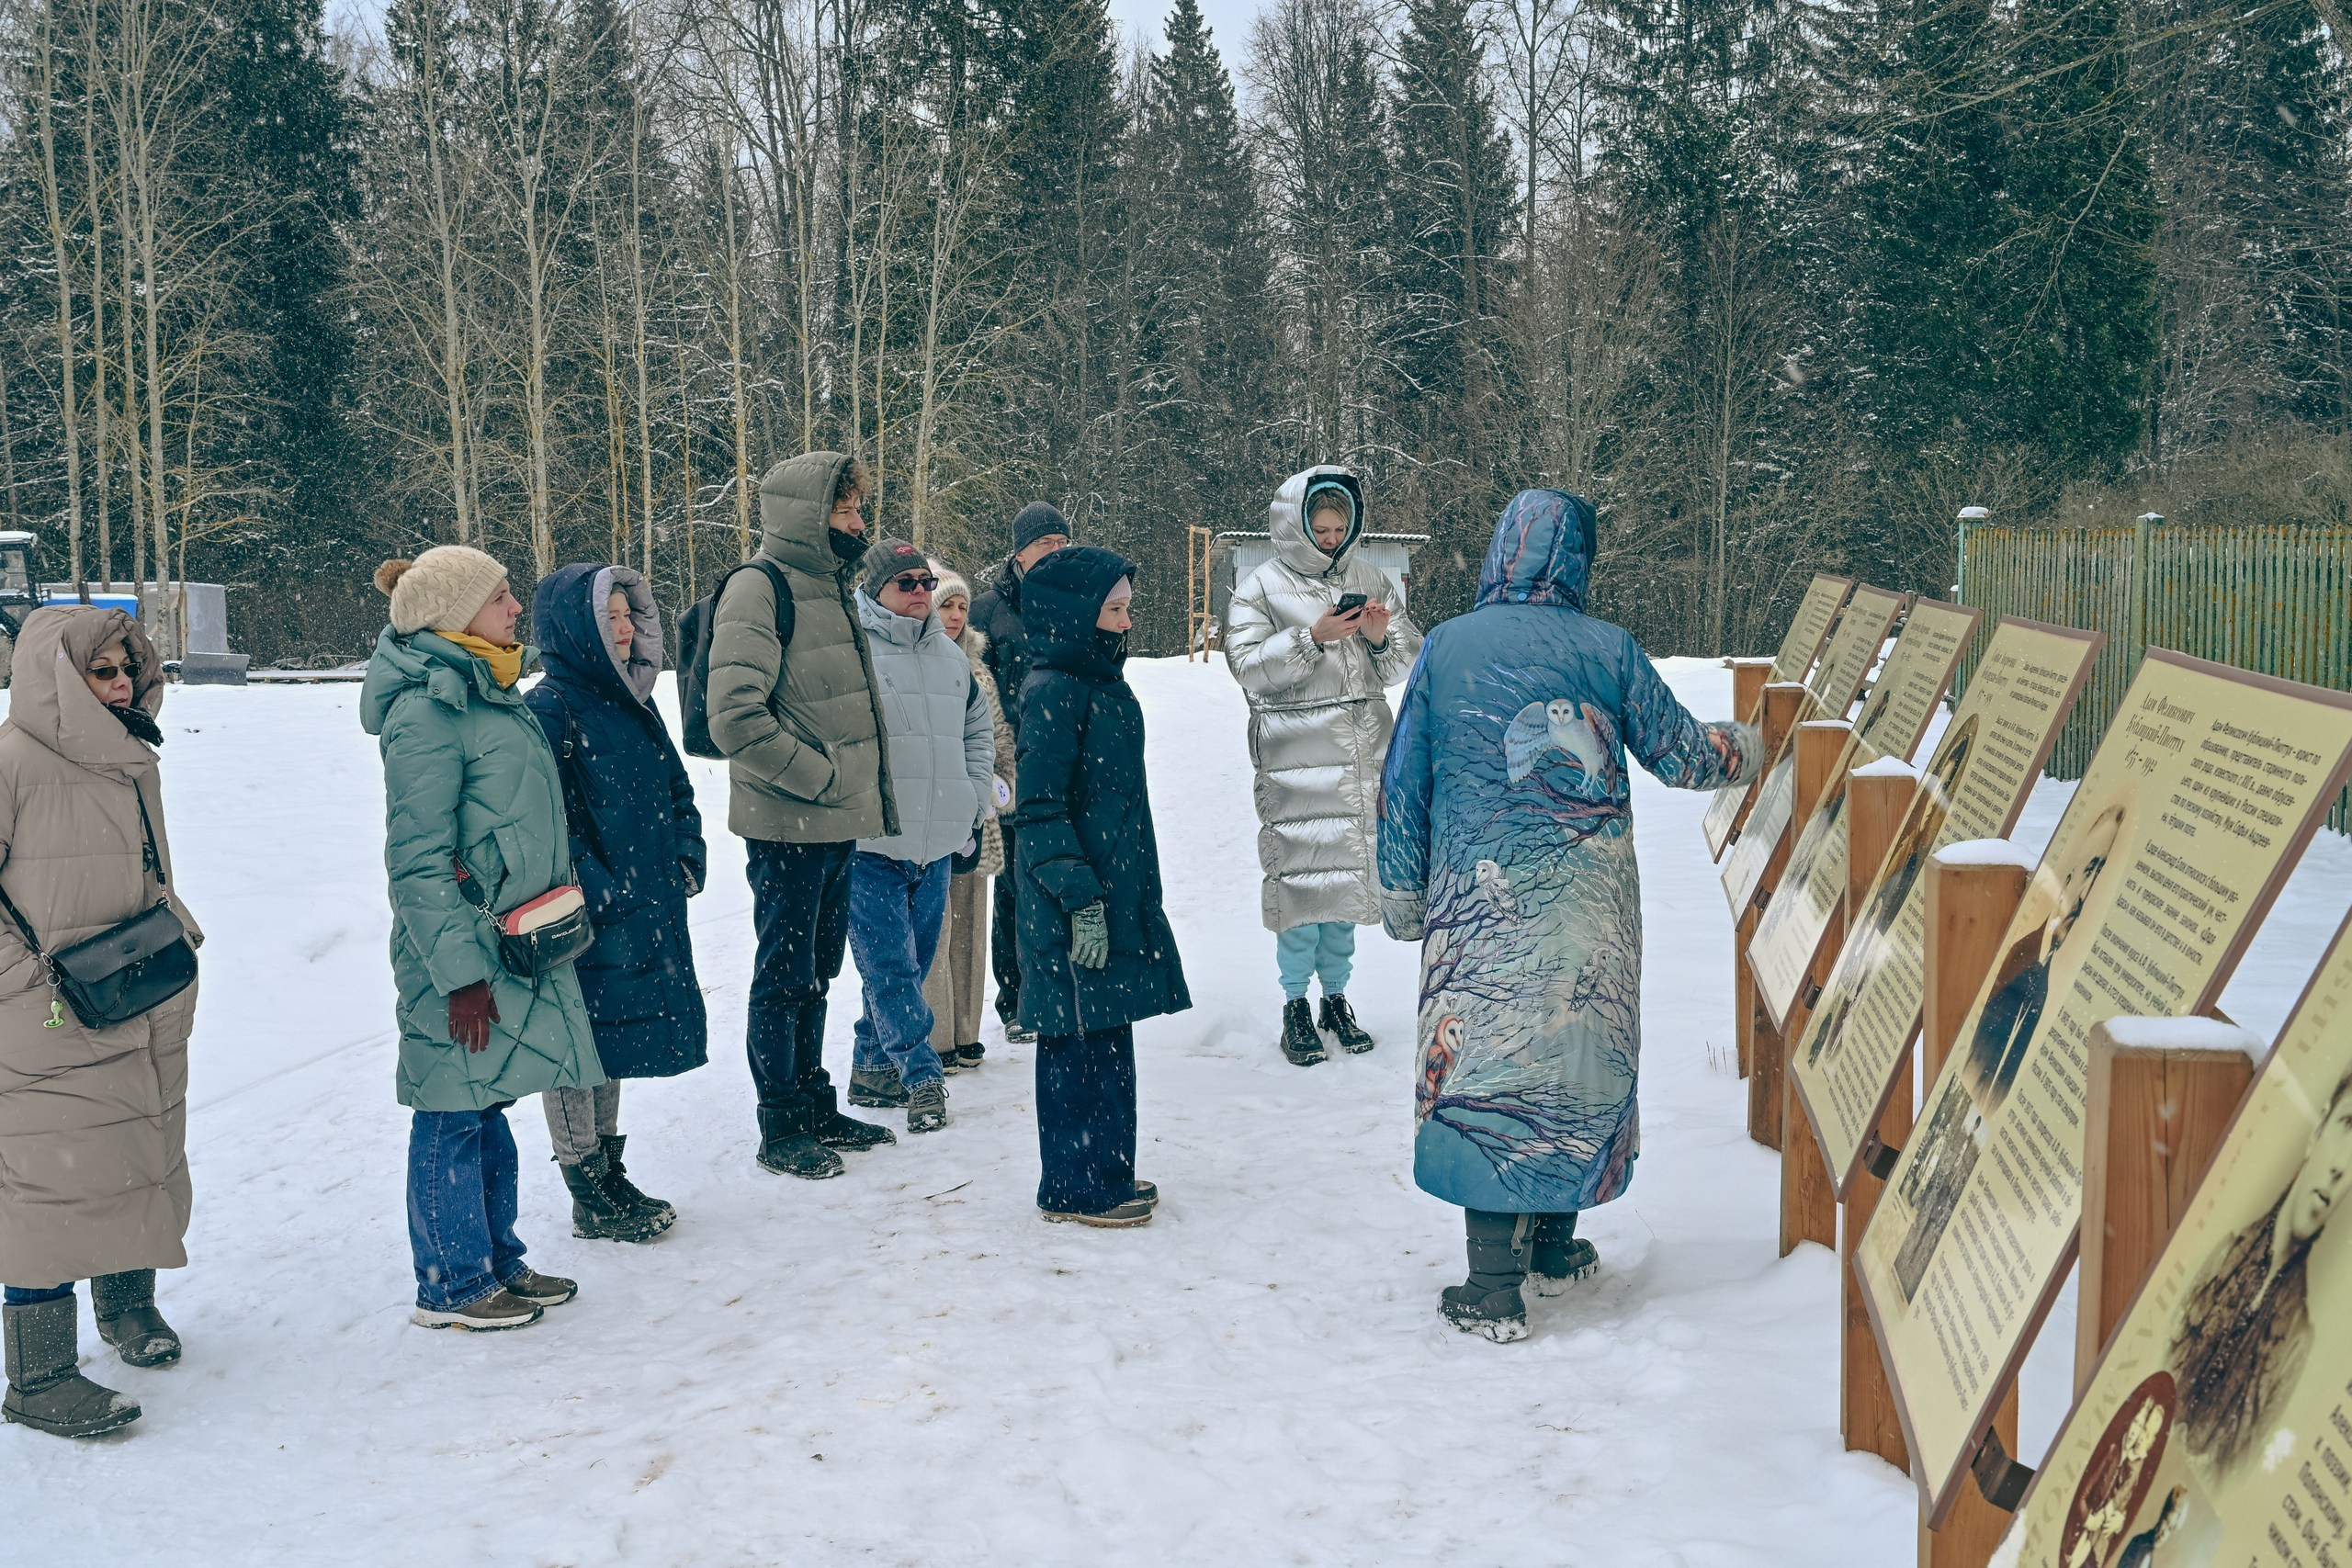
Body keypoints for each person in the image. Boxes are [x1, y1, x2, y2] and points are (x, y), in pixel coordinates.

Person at [1378, 490, 1761, 1340]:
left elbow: (1403, 778)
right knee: (1576, 1047)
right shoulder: (1608, 649)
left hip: (1479, 906)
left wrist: (1401, 887)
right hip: (1589, 900)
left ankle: (1491, 1285)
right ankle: (1554, 1243)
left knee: (1486, 1065)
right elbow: (1685, 755)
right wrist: (1759, 745)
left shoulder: (1447, 648)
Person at [362, 547, 603, 1331]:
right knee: (450, 1111)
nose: (513, 607)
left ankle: (496, 1256)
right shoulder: (427, 712)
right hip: (459, 950)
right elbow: (416, 859)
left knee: (488, 1100)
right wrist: (459, 973)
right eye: (499, 595)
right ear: (454, 615)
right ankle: (450, 1283)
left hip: (510, 939)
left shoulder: (488, 691)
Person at [0, 607, 199, 1437]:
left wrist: (177, 931)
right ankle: (37, 1373)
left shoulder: (131, 756)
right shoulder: (11, 759)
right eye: (102, 672)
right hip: (43, 1011)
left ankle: (126, 1307)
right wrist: (20, 982)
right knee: (49, 1183)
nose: (121, 683)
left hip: (137, 990)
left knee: (138, 1148)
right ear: (57, 675)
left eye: (127, 668)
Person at [707, 452, 899, 1179]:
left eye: (857, 509)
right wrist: (819, 779)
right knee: (784, 971)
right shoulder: (760, 588)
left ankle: (815, 1101)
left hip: (833, 819)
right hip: (788, 823)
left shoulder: (829, 587)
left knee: (819, 968)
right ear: (806, 514)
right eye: (845, 511)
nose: (858, 524)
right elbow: (735, 716)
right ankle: (779, 1120)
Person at [523, 564, 708, 1243]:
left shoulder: (636, 699)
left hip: (644, 900)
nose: (626, 628)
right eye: (612, 617)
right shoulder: (551, 708)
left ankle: (608, 1167)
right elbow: (547, 821)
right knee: (577, 1045)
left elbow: (674, 785)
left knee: (614, 1036)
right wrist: (602, 889)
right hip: (588, 910)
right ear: (578, 629)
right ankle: (585, 1184)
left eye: (632, 614)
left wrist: (686, 849)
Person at [1013, 547, 1190, 1226]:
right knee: (1075, 1044)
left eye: (1125, 607)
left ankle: (1108, 1168)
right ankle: (1071, 1184)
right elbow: (1038, 809)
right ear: (1076, 618)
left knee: (1108, 1040)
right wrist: (1079, 895)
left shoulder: (1100, 683)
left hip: (1110, 891)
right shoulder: (1054, 689)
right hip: (1072, 904)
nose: (1126, 620)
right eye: (1113, 609)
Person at [1225, 467, 1420, 1066]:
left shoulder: (1368, 577)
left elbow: (1402, 663)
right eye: (1321, 528)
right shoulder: (1261, 586)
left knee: (1346, 888)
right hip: (1298, 758)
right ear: (1296, 526)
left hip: (1362, 755)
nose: (1332, 538)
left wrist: (1384, 638)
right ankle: (1294, 1006)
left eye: (1340, 527)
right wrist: (1312, 637)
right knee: (1303, 888)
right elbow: (1249, 666)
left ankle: (1336, 998)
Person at [840, 539, 994, 1134]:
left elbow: (977, 729)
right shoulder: (853, 650)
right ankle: (921, 1075)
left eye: (927, 583)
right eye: (906, 583)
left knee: (914, 959)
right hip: (871, 844)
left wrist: (972, 799)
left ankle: (872, 1064)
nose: (921, 594)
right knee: (890, 969)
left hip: (936, 844)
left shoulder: (949, 656)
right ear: (876, 589)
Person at [2170, 1065, 2352, 1479]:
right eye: (2347, 1125)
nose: (2343, 1167)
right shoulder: (2221, 1252)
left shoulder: (2297, 1345)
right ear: (2318, 1128)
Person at [972, 502, 1070, 1042]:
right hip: (1011, 764)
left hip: (1062, 762)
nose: (1055, 553)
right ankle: (1015, 998)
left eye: (1062, 543)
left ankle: (1058, 984)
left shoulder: (1079, 600)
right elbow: (975, 687)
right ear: (1019, 553)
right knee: (1013, 887)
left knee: (1060, 877)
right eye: (1043, 545)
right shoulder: (988, 611)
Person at [921, 561, 1015, 1072]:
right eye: (946, 605)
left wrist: (1002, 787)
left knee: (971, 924)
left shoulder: (978, 668)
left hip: (978, 817)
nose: (955, 616)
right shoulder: (916, 666)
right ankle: (937, 1034)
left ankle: (966, 1030)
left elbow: (999, 738)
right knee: (935, 929)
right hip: (931, 815)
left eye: (961, 606)